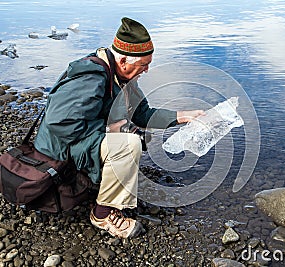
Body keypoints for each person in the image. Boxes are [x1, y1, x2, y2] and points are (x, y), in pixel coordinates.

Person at [34, 17, 204, 238]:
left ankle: (101, 183)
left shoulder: (122, 77)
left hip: (76, 139)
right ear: (124, 61)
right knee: (128, 143)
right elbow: (59, 122)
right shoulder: (91, 77)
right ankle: (103, 214)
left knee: (133, 136)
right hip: (59, 147)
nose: (147, 70)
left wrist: (182, 116)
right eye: (144, 64)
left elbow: (143, 114)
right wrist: (109, 132)